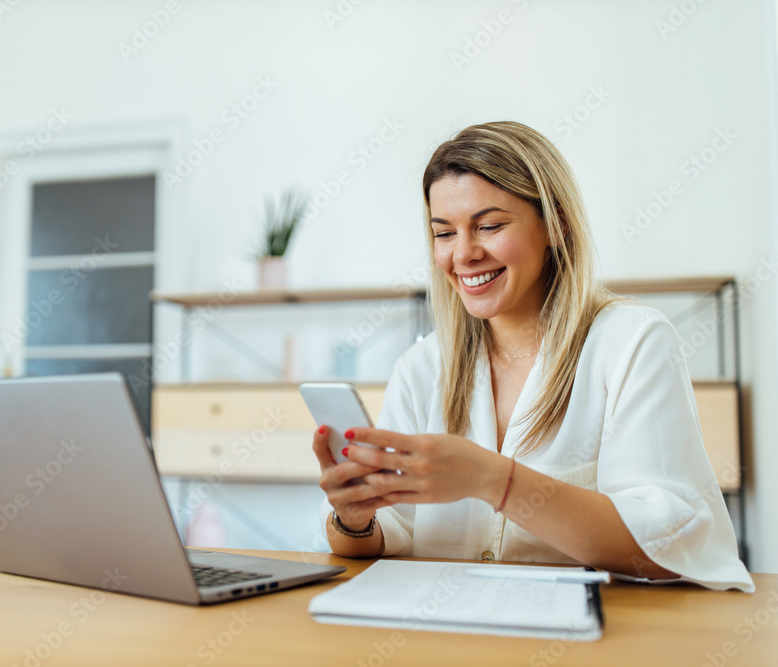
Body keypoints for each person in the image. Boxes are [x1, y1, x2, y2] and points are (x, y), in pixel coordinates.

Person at [313, 121, 753, 591]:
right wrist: (353, 518)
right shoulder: (423, 367)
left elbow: (665, 547)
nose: (463, 254)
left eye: (489, 226)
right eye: (444, 233)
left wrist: (493, 480)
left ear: (556, 225)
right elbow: (389, 533)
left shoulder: (633, 343)